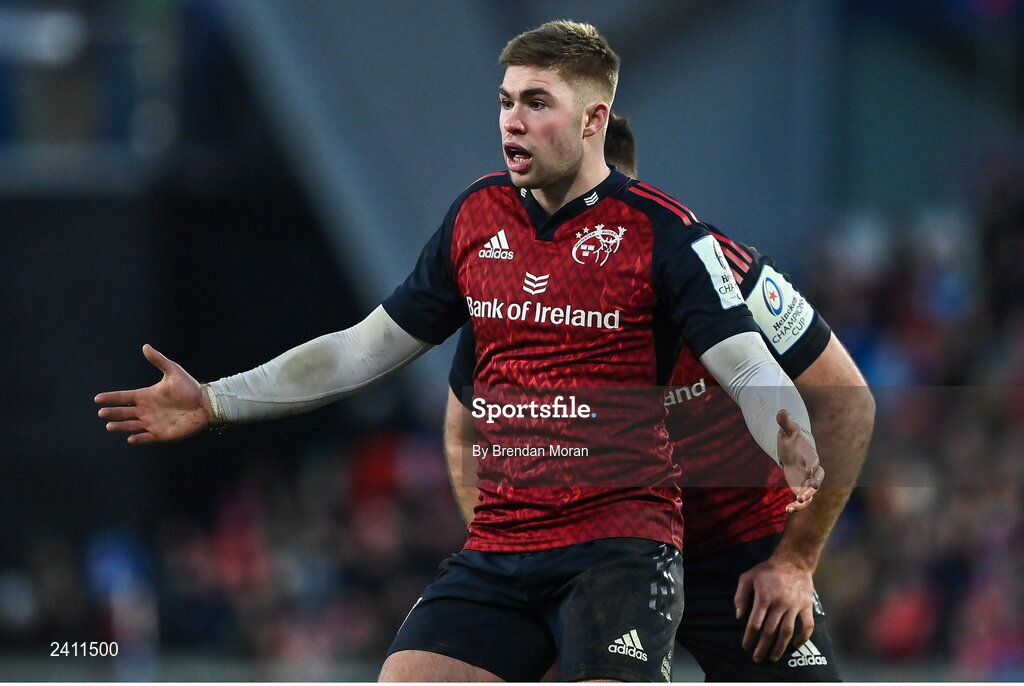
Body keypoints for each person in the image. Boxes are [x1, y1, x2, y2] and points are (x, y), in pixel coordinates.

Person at [96, 21, 824, 682]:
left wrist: (782, 425)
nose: (513, 120)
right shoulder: (476, 217)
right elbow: (363, 349)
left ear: (595, 119)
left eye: (537, 102)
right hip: (505, 547)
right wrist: (218, 398)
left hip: (622, 550)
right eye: (506, 101)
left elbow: (747, 364)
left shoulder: (668, 237)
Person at [445, 114, 874, 680]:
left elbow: (846, 400)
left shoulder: (727, 271)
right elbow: (464, 430)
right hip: (598, 552)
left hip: (740, 555)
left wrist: (796, 561)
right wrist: (520, 559)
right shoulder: (519, 290)